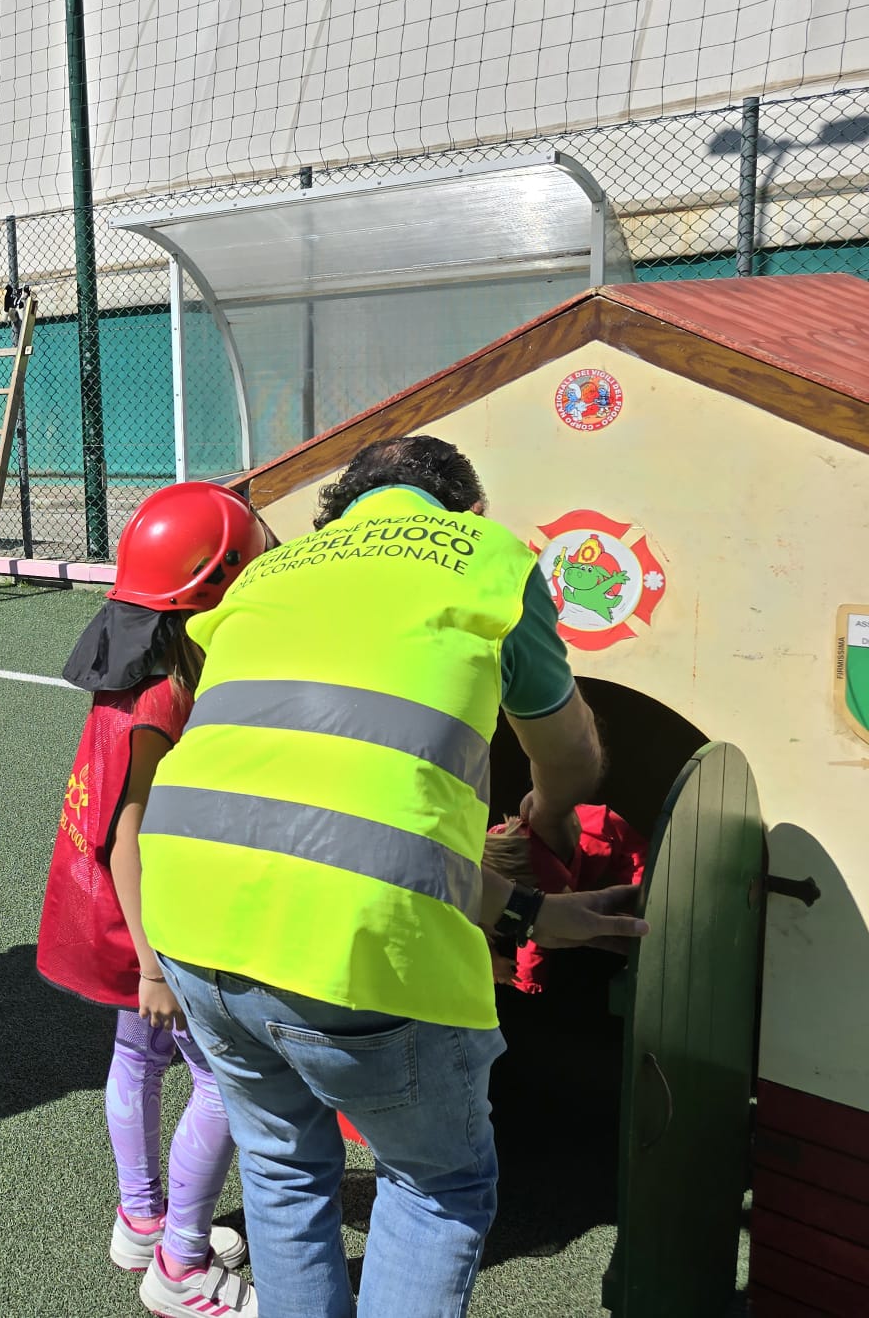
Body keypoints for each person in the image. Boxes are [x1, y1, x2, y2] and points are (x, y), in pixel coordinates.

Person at [138, 436, 647, 1318]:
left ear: (335, 512)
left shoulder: (271, 574)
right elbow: (566, 754)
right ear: (470, 513)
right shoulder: (491, 560)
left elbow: (343, 829)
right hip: (362, 951)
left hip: (186, 912)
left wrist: (531, 911)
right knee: (436, 1183)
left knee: (282, 1170)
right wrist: (551, 813)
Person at [38, 482, 268, 1317]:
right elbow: (128, 831)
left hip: (108, 909)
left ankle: (142, 1218)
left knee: (136, 1057)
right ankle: (179, 1266)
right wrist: (154, 966)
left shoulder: (131, 657)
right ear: (214, 584)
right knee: (225, 1081)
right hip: (149, 924)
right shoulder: (166, 689)